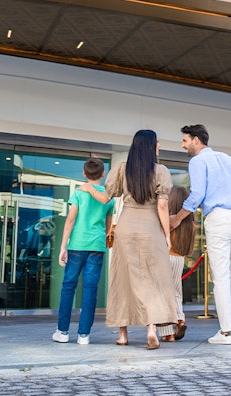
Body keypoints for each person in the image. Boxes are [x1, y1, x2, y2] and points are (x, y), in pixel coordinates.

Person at [84, 129, 175, 350]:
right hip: (151, 227)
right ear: (151, 146)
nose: (159, 146)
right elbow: (162, 206)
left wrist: (88, 188)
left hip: (126, 226)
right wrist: (167, 235)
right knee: (152, 279)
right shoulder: (161, 171)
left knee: (123, 278)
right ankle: (151, 329)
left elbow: (107, 196)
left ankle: (123, 334)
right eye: (157, 143)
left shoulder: (122, 169)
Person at [170, 124, 231, 345]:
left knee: (221, 276)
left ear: (196, 140)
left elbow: (198, 194)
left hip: (219, 217)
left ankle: (225, 333)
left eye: (185, 140)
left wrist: (177, 218)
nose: (183, 145)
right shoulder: (228, 159)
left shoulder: (198, 161)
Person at [53, 158, 113, 345]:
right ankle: (84, 335)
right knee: (90, 290)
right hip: (96, 247)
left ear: (84, 174)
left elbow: (70, 221)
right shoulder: (108, 197)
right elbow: (109, 227)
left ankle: (62, 332)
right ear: (103, 174)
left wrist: (63, 246)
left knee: (68, 286)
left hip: (77, 245)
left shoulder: (78, 193)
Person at [156, 185, 196, 342]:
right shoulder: (190, 224)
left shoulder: (168, 220)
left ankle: (168, 333)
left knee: (163, 294)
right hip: (179, 259)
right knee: (176, 293)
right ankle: (180, 319)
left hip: (165, 257)